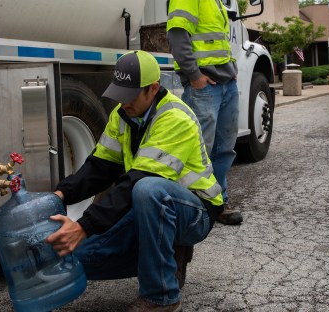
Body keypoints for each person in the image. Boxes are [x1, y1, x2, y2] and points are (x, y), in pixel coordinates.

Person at [45, 50, 223, 312]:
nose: (123, 103)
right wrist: (61, 194)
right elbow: (100, 166)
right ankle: (168, 257)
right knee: (78, 258)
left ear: (153, 88)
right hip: (149, 205)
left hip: (194, 211)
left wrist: (84, 226)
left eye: (130, 96)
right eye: (119, 94)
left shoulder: (175, 119)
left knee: (148, 189)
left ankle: (161, 296)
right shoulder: (123, 115)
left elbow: (140, 180)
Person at [166, 0, 243, 225]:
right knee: (200, 149)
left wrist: (231, 73)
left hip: (225, 84)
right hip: (205, 87)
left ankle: (217, 201)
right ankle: (194, 206)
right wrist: (195, 77)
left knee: (224, 147)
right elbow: (177, 36)